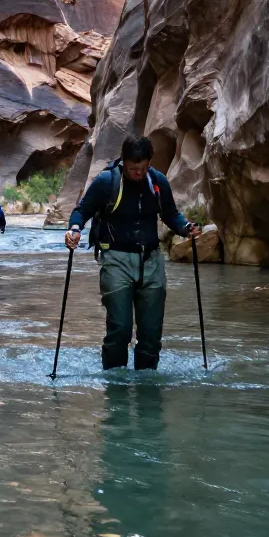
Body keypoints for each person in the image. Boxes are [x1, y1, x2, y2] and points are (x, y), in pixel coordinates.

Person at [64, 136, 201, 371]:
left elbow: (170, 214)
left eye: (143, 168)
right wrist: (74, 229)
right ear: (123, 162)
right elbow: (81, 210)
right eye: (133, 169)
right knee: (121, 327)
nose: (138, 173)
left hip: (151, 261)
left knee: (151, 332)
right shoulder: (106, 181)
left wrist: (186, 228)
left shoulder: (157, 181)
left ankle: (147, 386)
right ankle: (115, 386)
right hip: (116, 260)